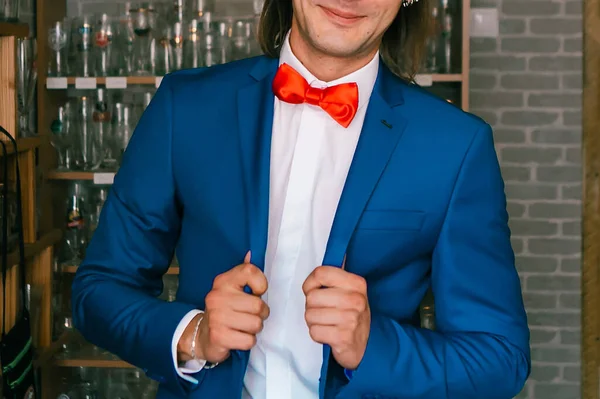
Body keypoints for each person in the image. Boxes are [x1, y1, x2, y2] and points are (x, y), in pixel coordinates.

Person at [71, 0, 531, 397]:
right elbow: (97, 293)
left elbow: (500, 359)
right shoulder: (185, 106)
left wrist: (375, 345)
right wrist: (194, 334)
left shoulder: (456, 146)